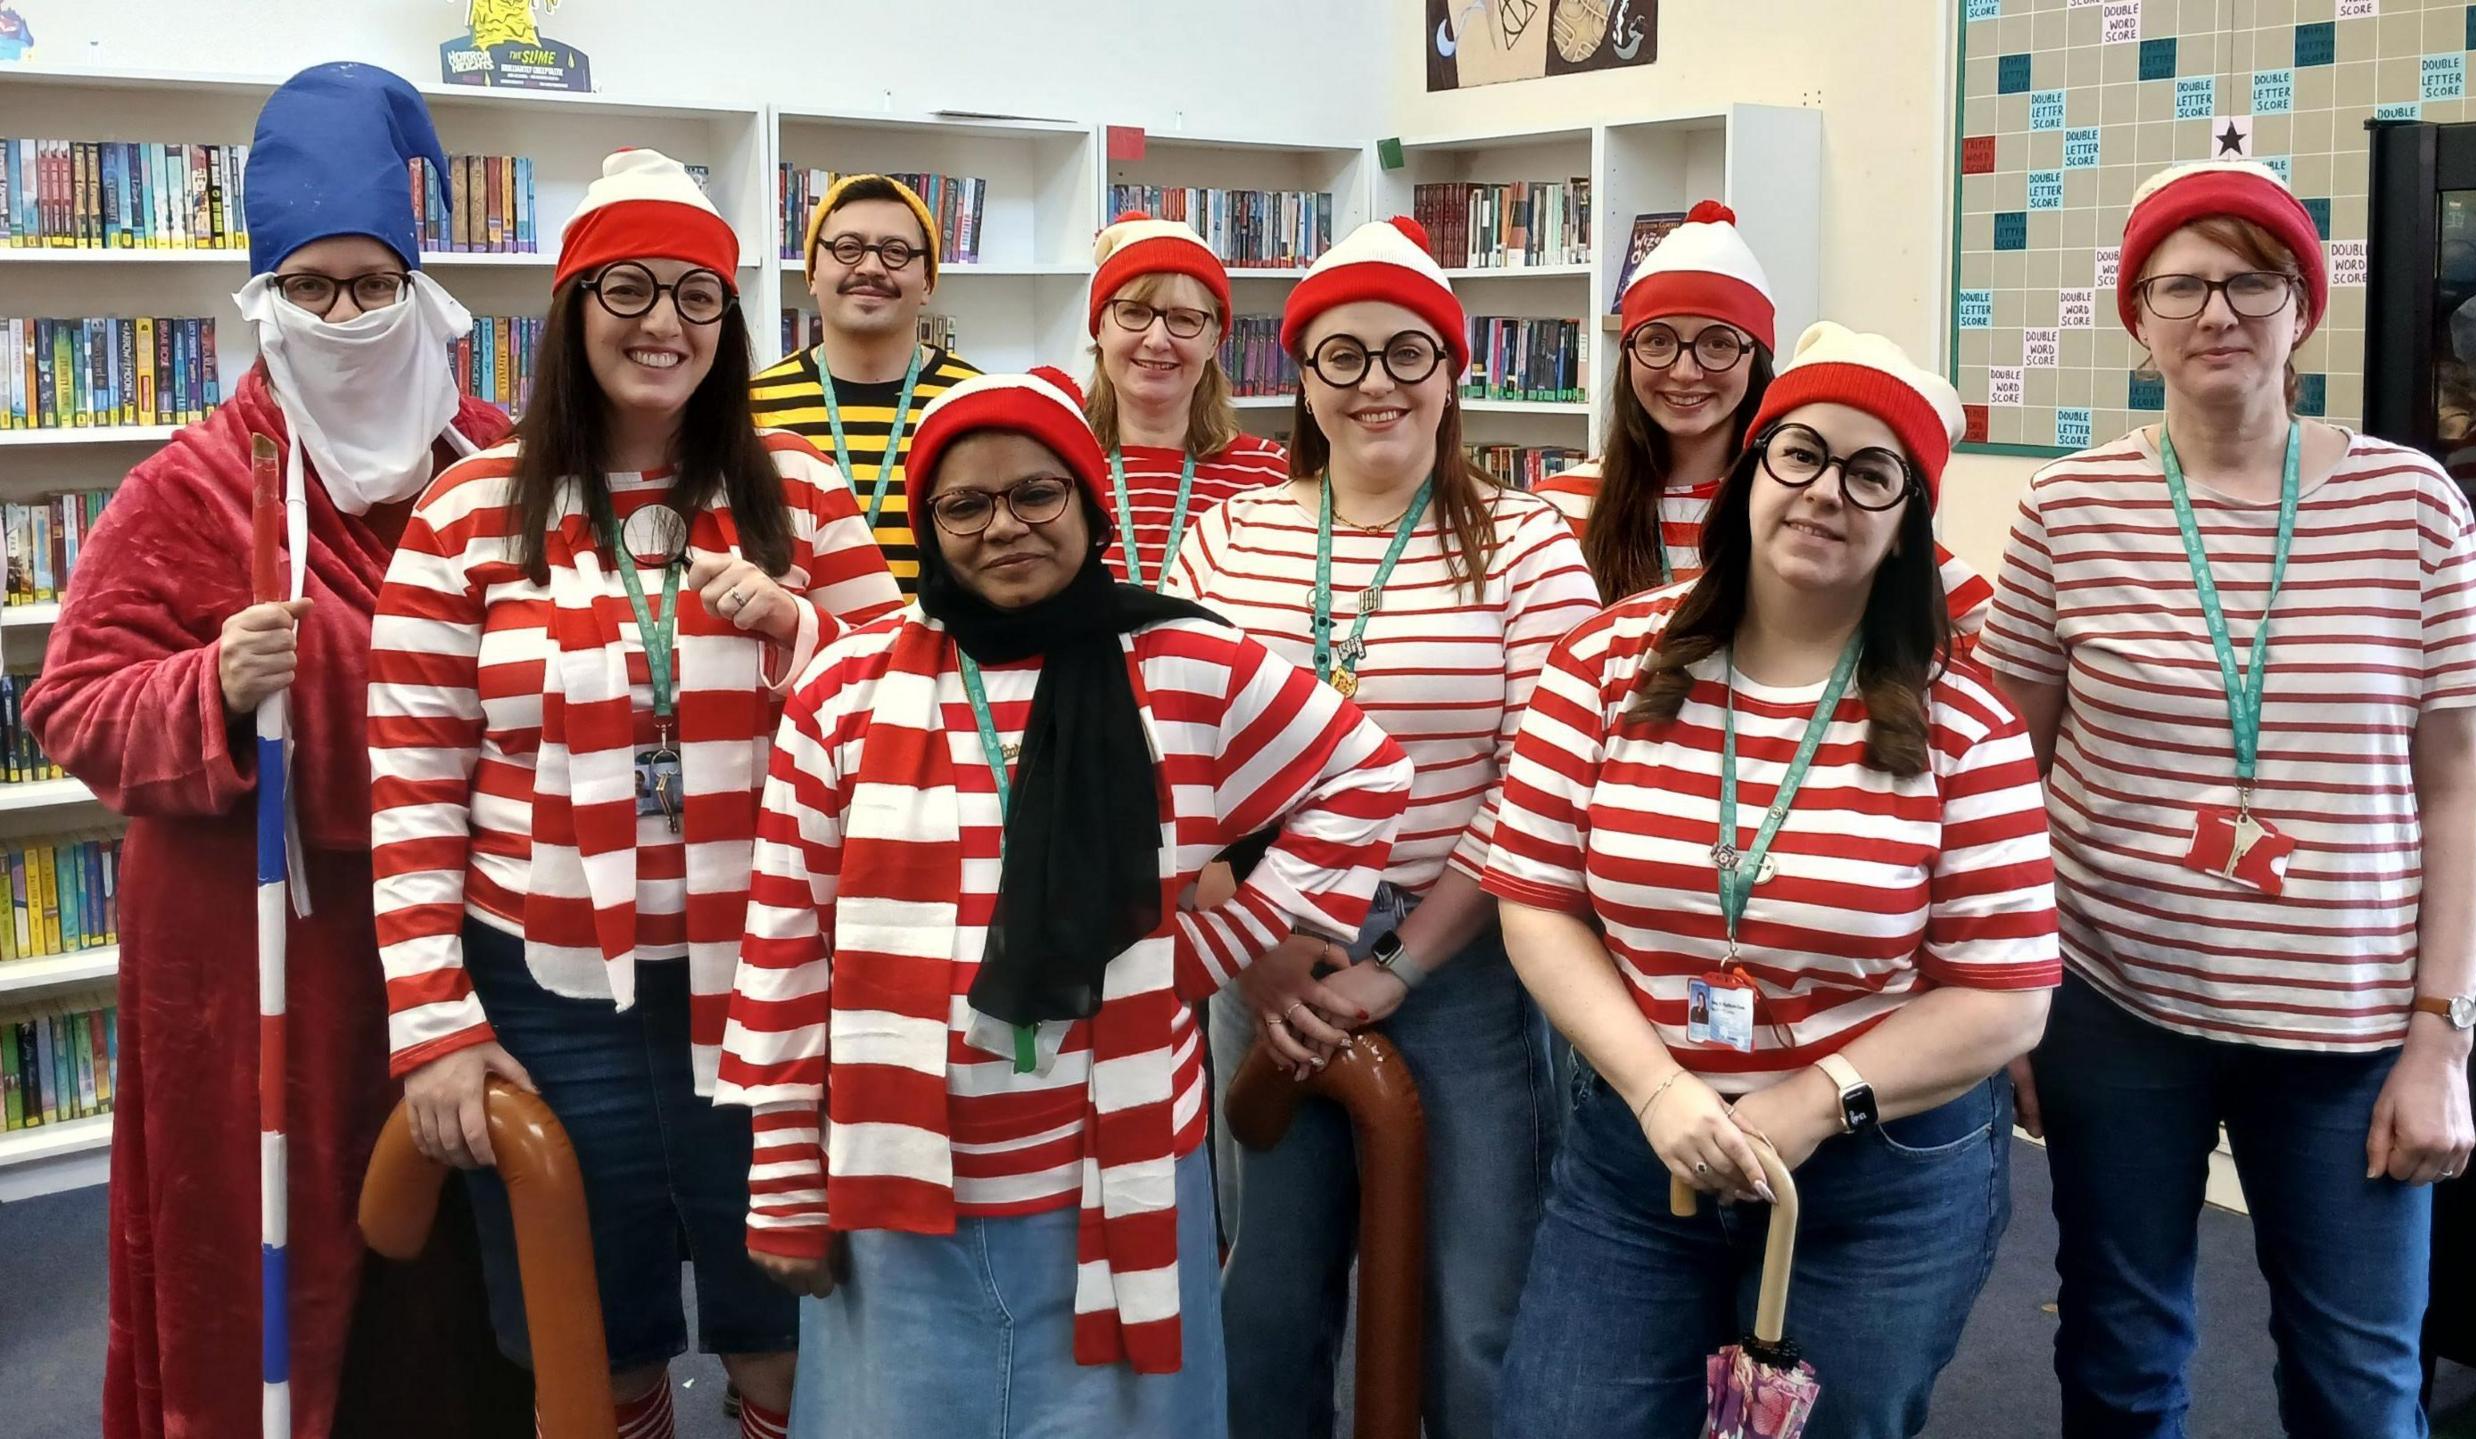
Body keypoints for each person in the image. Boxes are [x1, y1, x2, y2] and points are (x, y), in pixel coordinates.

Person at [713, 366, 1411, 1436]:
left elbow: (1364, 772)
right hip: (898, 1179)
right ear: (926, 523)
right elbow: (786, 948)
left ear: (1087, 501)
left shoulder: (1180, 658)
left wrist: (1211, 945)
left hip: (1114, 1161)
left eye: (1037, 493)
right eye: (966, 503)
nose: (1006, 526)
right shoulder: (844, 688)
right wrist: (783, 1180)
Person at [368, 150, 902, 1439]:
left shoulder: (810, 500)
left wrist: (798, 636)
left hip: (774, 981)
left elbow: (909, 733)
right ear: (569, 312)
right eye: (629, 288)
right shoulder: (465, 515)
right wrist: (434, 1021)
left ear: (729, 323)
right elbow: (410, 782)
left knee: (788, 1323)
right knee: (590, 1336)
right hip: (550, 1001)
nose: (665, 323)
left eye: (698, 297)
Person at [22, 63, 514, 1439]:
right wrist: (208, 688)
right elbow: (74, 701)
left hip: (460, 939)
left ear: (419, 285)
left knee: (464, 1292)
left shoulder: (492, 460)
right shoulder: (191, 481)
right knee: (276, 1296)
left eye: (374, 283)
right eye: (316, 287)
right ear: (268, 299)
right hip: (261, 967)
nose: (348, 315)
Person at [1977, 160, 2476, 1439]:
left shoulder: (2411, 505)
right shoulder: (2067, 507)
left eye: (2250, 278)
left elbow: (2456, 791)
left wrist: (2442, 1034)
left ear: (2301, 306)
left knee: (2361, 1385)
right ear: (2138, 316)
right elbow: (2007, 778)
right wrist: (2017, 1005)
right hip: (2116, 1006)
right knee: (2117, 1349)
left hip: (2353, 1023)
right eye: (2180, 282)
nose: (2217, 310)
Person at [1490, 323, 2060, 1439]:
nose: (1824, 492)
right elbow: (1539, 899)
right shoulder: (1604, 663)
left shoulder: (1965, 719)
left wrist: (1812, 1097)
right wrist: (1659, 1089)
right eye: (1798, 452)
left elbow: (2004, 996)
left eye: (1871, 472)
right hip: (1638, 1148)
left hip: (1876, 1172)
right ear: (1750, 471)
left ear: (1907, 526)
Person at [1167, 215, 1603, 1439]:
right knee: (1266, 1284)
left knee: (1474, 1290)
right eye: (1341, 356)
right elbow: (1177, 764)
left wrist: (1402, 965)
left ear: (1454, 371)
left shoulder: (1526, 542)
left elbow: (1539, 786)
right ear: (1297, 376)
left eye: (1407, 353)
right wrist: (1252, 941)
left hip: (1452, 957)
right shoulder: (1229, 535)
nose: (1375, 385)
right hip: (1262, 944)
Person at [1535, 200, 1995, 645]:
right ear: (1627, 354)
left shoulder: (1795, 502)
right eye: (1657, 340)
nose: (1684, 371)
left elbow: (1987, 629)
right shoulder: (1555, 510)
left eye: (1718, 344)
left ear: (1757, 359)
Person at [751, 173, 982, 600]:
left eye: (895, 252)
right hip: (804, 659)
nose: (871, 267)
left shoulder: (977, 403)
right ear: (813, 273)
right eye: (847, 248)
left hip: (946, 660)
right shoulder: (751, 408)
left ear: (928, 282)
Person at [1082, 211, 1290, 589]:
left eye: (1184, 319)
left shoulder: (1270, 477)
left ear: (1214, 340)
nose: (1158, 340)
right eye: (1134, 312)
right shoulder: (1057, 471)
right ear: (1099, 326)